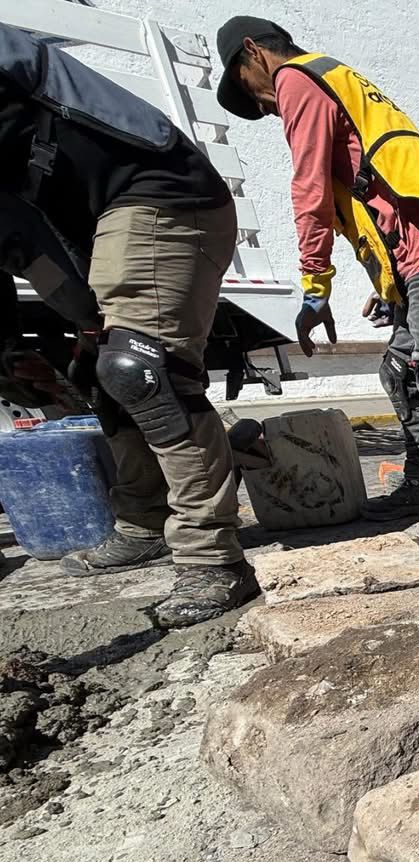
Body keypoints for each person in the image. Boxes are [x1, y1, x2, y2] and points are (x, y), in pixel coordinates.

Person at [215, 17, 419, 523]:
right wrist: (390, 285)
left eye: (246, 87)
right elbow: (380, 200)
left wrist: (314, 287)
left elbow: (311, 192)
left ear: (254, 51)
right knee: (398, 372)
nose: (262, 105)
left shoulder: (296, 78)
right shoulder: (337, 80)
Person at [0, 23, 256, 627]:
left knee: (143, 370)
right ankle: (143, 523)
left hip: (159, 192)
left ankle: (212, 558)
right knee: (98, 371)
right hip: (71, 232)